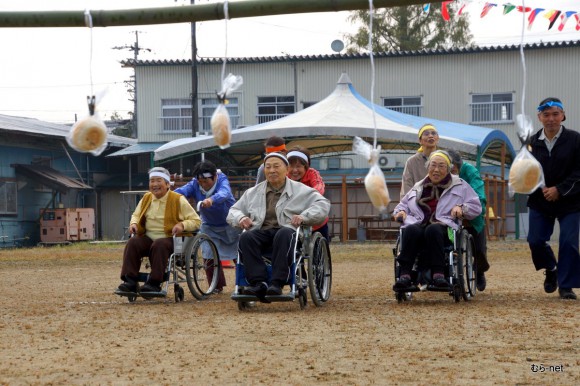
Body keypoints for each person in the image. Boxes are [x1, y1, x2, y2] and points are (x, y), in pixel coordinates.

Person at [227, 152, 330, 298]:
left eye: (276, 166)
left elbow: (323, 204)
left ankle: (277, 283)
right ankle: (258, 283)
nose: (272, 170)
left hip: (287, 231)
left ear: (286, 169)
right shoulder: (253, 192)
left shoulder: (300, 190)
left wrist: (304, 216)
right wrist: (241, 217)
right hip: (261, 231)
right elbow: (234, 210)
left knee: (284, 233)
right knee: (246, 237)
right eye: (268, 167)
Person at [392, 151, 482, 290]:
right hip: (419, 225)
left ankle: (438, 275)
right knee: (410, 229)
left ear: (448, 169)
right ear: (428, 168)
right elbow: (402, 205)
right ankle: (405, 276)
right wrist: (401, 212)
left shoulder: (460, 185)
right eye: (433, 165)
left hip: (446, 229)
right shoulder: (418, 186)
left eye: (441, 166)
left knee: (432, 229)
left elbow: (476, 206)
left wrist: (462, 208)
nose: (436, 170)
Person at [527, 97, 580, 300]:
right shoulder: (531, 142)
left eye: (555, 114)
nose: (551, 119)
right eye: (546, 115)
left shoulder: (575, 140)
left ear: (563, 116)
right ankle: (551, 268)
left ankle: (566, 286)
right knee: (535, 240)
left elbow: (579, 171)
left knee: (568, 242)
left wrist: (560, 189)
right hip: (540, 200)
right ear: (539, 117)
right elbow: (526, 171)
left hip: (570, 200)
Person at [117, 167, 201, 294]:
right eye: (152, 181)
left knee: (159, 244)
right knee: (133, 243)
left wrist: (182, 225)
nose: (155, 184)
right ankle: (130, 281)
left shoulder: (178, 199)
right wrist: (133, 223)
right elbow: (136, 214)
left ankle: (155, 283)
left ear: (167, 184)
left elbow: (196, 221)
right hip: (149, 237)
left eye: (158, 181)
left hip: (171, 238)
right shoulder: (146, 198)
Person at [174, 160, 241, 294]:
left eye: (206, 182)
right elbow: (181, 192)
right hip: (209, 225)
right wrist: (170, 196)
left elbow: (225, 193)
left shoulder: (222, 180)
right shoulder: (195, 183)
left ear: (215, 176)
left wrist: (211, 200)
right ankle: (216, 285)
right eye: (200, 182)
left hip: (231, 223)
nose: (203, 185)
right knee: (208, 254)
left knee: (238, 255)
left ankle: (243, 283)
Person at [448, 150, 489, 291]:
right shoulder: (442, 172)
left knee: (479, 249)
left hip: (471, 214)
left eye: (454, 168)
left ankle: (479, 270)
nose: (452, 170)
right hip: (450, 216)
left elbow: (479, 195)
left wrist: (469, 209)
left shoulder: (470, 171)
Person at [286, 146, 330, 241]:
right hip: (292, 220)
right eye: (291, 166)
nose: (294, 170)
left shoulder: (312, 174)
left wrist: (305, 197)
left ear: (306, 166)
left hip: (314, 220)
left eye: (298, 166)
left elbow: (319, 187)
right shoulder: (285, 177)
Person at [400, 123, 440, 199]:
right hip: (417, 206)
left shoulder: (444, 160)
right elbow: (406, 188)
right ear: (420, 140)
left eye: (433, 133)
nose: (430, 136)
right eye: (426, 134)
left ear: (438, 138)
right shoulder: (412, 162)